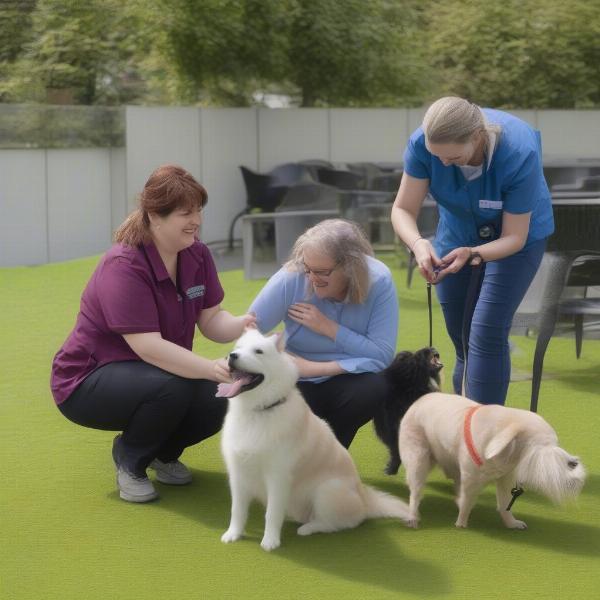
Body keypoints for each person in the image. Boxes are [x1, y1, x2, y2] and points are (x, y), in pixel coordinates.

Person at [51, 164, 254, 503]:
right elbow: (147, 348)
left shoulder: (197, 254)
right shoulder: (123, 264)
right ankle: (130, 461)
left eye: (199, 211)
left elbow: (212, 321)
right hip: (86, 382)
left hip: (156, 374)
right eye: (185, 213)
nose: (196, 221)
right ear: (154, 216)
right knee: (173, 386)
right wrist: (209, 367)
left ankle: (163, 453)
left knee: (224, 392)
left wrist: (246, 322)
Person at [391, 96, 554, 405]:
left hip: (516, 240)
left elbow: (514, 237)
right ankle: (463, 428)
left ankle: (480, 437)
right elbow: (402, 209)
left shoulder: (519, 151)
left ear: (477, 137)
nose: (442, 165)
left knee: (486, 332)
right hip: (457, 232)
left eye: (452, 158)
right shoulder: (422, 145)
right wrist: (418, 243)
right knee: (463, 338)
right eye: (436, 157)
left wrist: (475, 253)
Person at [248, 218, 399, 448]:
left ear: (351, 267)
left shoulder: (379, 280)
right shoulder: (292, 276)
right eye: (308, 269)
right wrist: (276, 356)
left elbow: (382, 355)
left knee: (374, 388)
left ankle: (330, 458)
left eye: (322, 271)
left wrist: (328, 329)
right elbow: (249, 330)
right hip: (293, 378)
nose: (311, 278)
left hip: (346, 382)